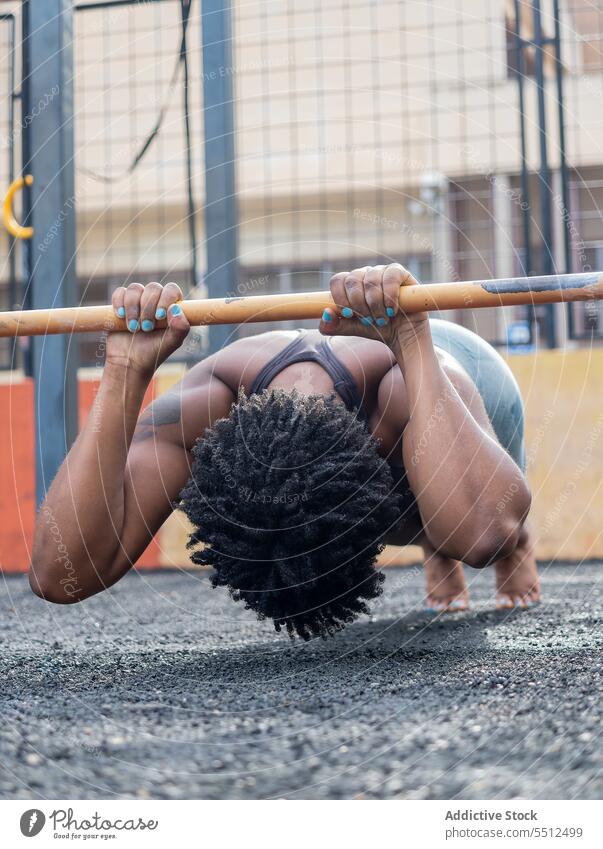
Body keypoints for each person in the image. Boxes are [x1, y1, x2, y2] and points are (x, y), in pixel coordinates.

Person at [29, 264, 539, 639]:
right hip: (386, 420)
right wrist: (125, 371)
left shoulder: (397, 389)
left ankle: (451, 545)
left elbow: (487, 532)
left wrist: (411, 340)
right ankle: (434, 541)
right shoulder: (206, 410)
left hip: (460, 364)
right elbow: (59, 575)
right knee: (427, 501)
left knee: (473, 534)